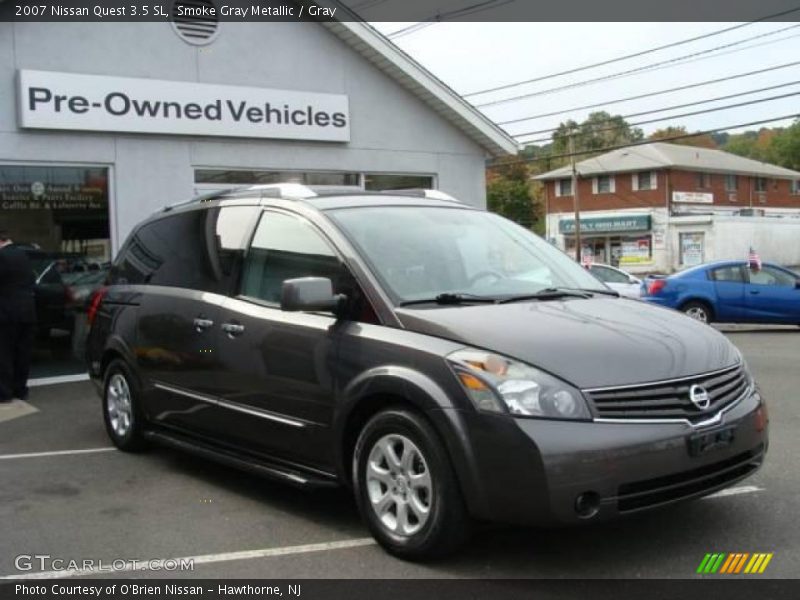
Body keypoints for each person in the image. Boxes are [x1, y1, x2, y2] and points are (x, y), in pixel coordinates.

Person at [0, 230, 36, 403]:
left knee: (5, 354)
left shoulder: (2, 257)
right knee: (22, 353)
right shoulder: (23, 255)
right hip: (27, 311)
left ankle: (4, 393)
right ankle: (20, 389)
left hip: (6, 313)